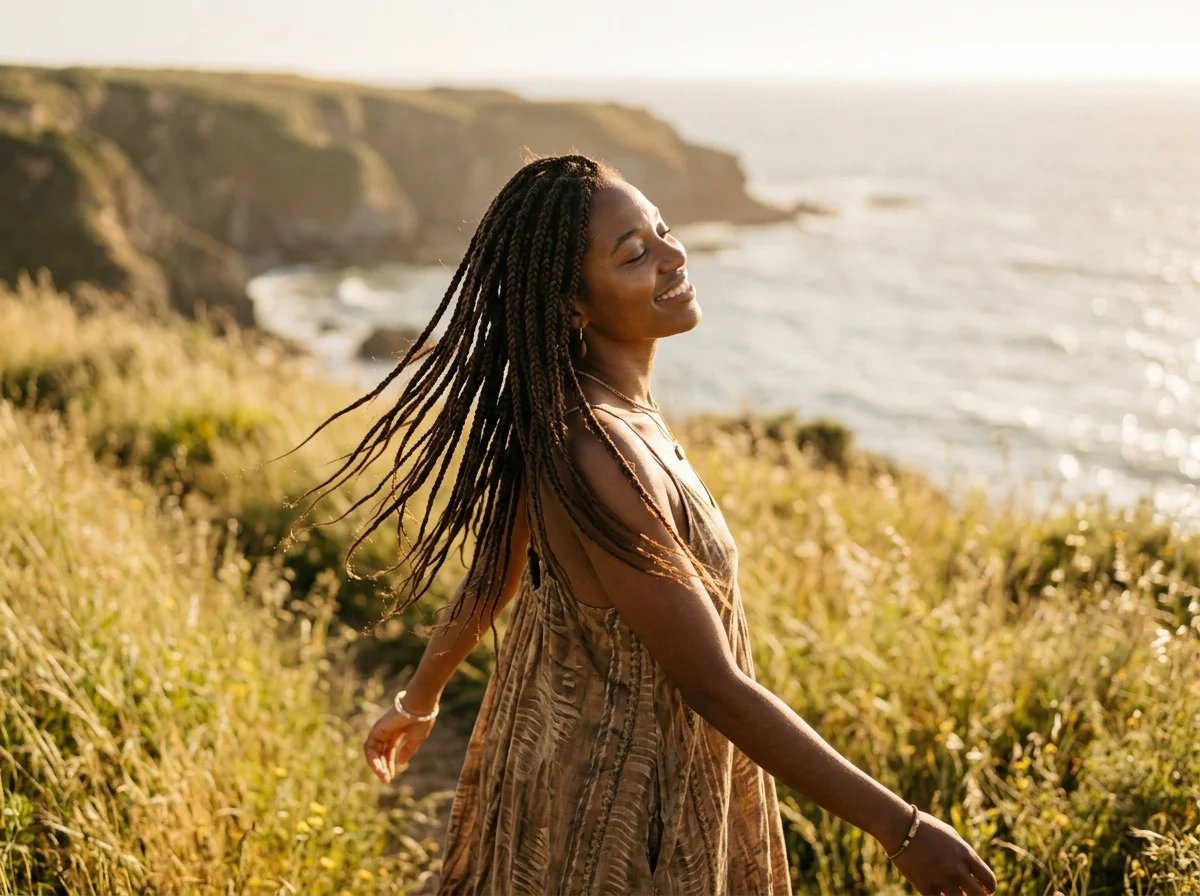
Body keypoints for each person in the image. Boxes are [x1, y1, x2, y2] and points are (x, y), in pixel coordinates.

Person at [299, 152, 996, 894]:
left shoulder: (581, 414)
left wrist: (420, 699)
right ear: (575, 306)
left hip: (565, 765)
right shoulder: (601, 453)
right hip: (618, 813)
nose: (674, 255)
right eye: (636, 253)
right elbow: (712, 686)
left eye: (662, 230)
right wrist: (903, 828)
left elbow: (495, 566)